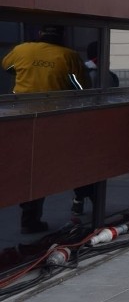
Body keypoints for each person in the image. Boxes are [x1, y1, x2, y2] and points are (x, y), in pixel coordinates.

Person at [2, 25, 89, 234]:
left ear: (39, 34)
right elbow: (81, 87)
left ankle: (29, 219)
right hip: (55, 120)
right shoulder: (68, 56)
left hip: (22, 117)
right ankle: (87, 202)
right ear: (63, 36)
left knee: (30, 168)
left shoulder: (22, 50)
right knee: (67, 164)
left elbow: (7, 67)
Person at [73, 40, 120, 215]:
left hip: (81, 127)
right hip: (98, 128)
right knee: (95, 165)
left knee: (81, 165)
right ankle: (94, 199)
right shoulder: (107, 75)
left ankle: (80, 197)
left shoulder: (79, 73)